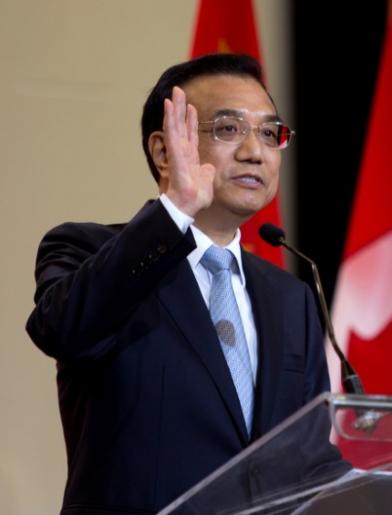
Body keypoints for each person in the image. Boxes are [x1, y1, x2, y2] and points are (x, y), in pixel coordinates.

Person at [26, 53, 347, 514]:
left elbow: (307, 459)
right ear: (163, 151)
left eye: (269, 133)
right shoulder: (86, 250)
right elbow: (63, 329)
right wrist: (176, 209)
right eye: (228, 129)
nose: (255, 151)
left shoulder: (290, 297)